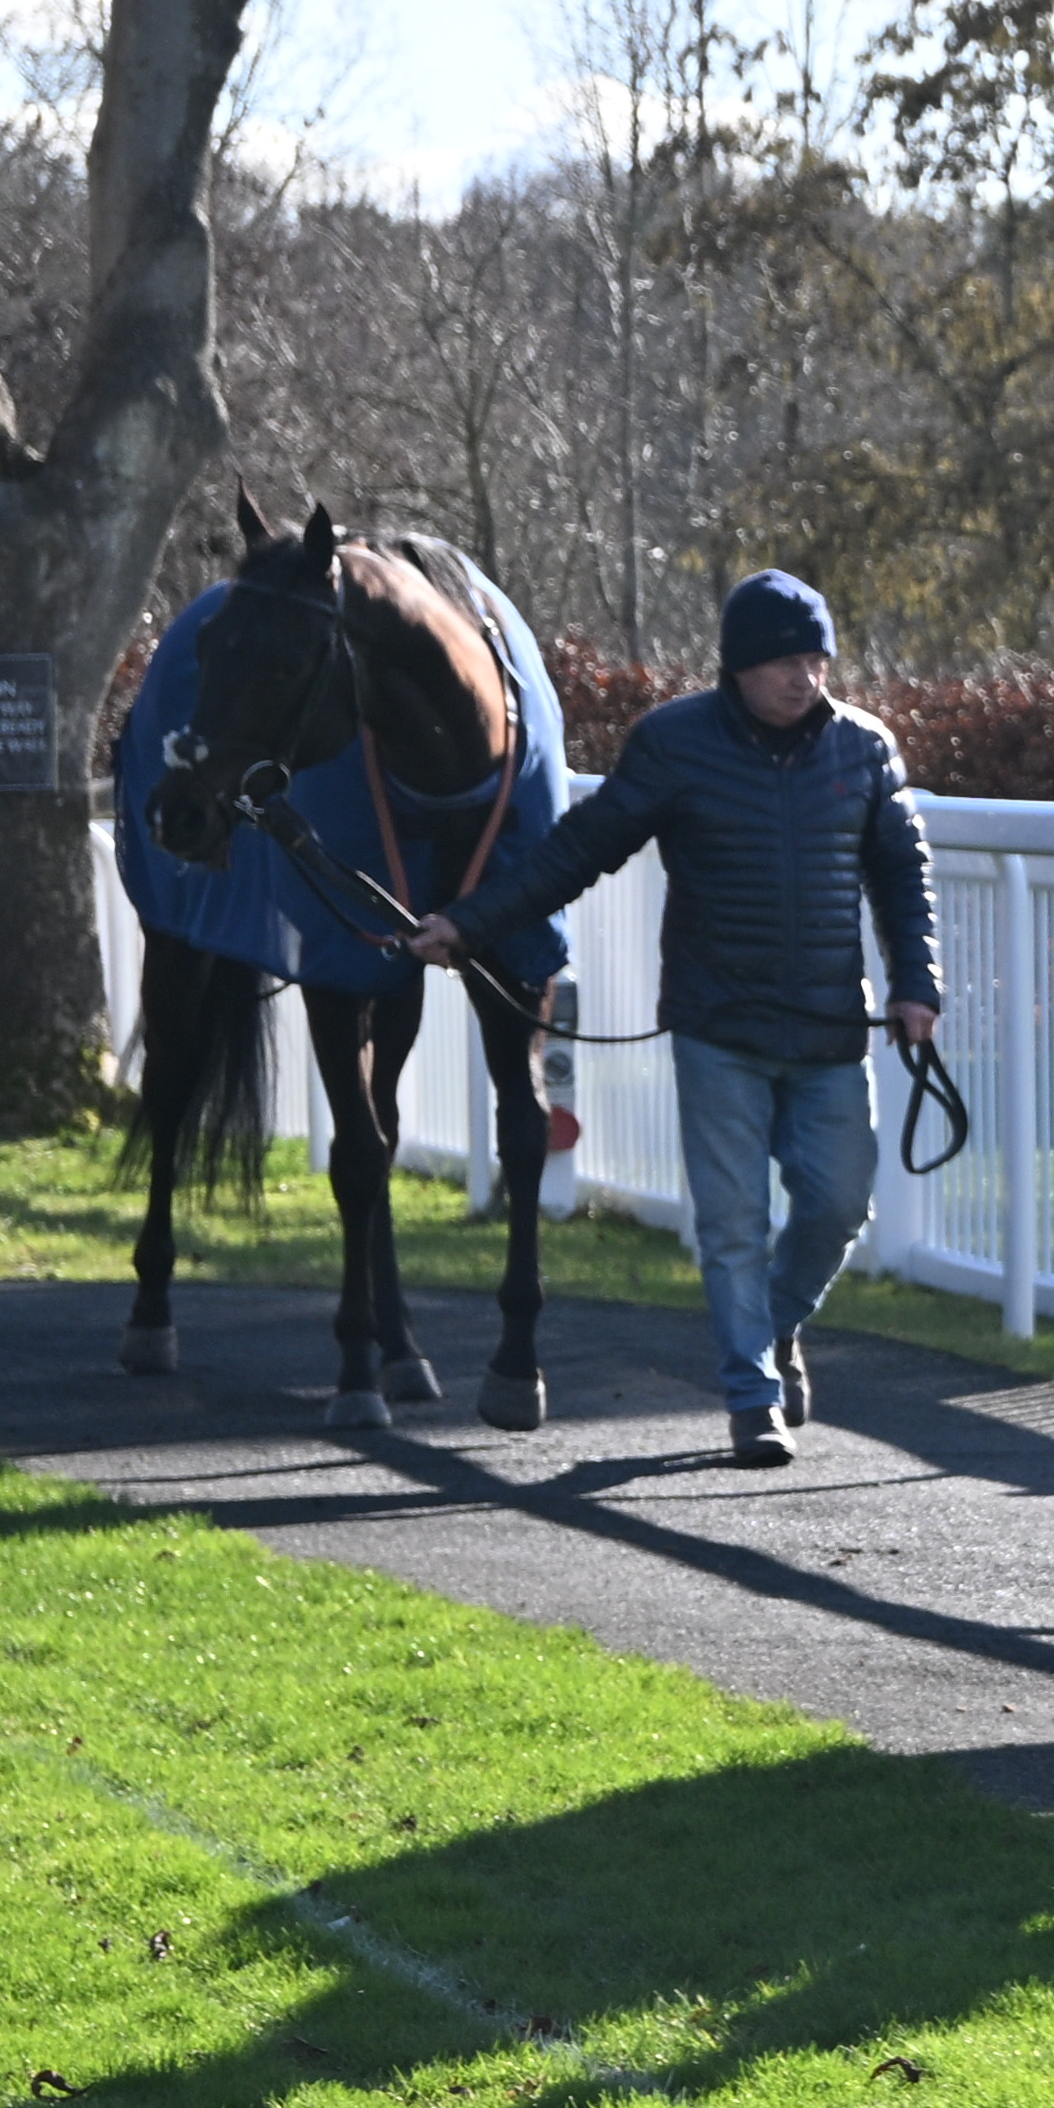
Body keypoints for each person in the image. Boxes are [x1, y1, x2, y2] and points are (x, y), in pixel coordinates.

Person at [409, 568, 939, 1471]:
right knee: (731, 1224)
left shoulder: (865, 750)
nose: (803, 678)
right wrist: (470, 923)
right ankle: (753, 1400)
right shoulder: (674, 745)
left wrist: (915, 984)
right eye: (783, 663)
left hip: (828, 1031)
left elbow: (901, 873)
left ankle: (771, 1332)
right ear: (738, 667)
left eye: (816, 660)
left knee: (840, 1203)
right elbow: (580, 849)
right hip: (717, 1027)